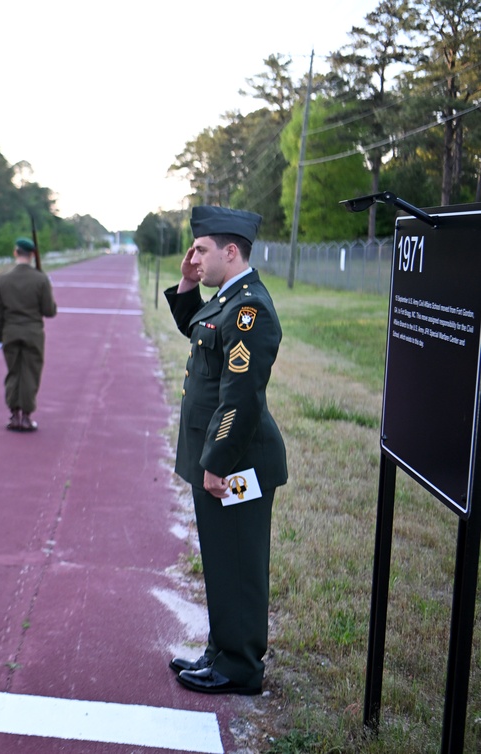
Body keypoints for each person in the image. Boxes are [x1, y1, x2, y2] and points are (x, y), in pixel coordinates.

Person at [163, 206, 288, 696]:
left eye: (202, 249)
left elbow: (241, 397)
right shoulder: (226, 300)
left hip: (237, 461)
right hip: (218, 458)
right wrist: (188, 284)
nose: (194, 256)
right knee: (221, 560)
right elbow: (197, 330)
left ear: (230, 251)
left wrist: (216, 462)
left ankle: (240, 667)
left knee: (239, 564)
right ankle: (221, 651)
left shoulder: (250, 308)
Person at [0, 237, 57, 431]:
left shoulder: (2, 279)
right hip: (33, 333)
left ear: (15, 252)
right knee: (30, 373)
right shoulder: (40, 279)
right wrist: (48, 289)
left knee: (14, 373)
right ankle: (27, 416)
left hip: (10, 332)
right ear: (33, 255)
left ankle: (14, 415)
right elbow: (49, 311)